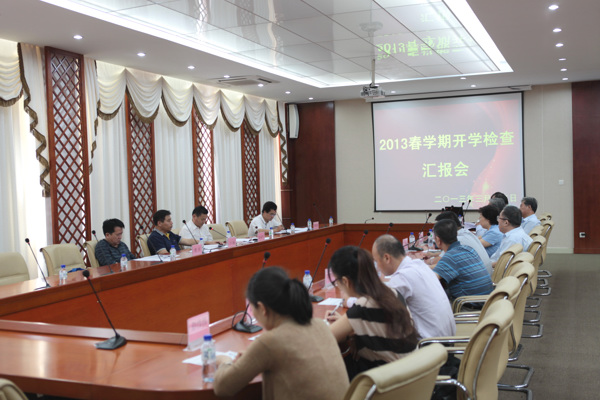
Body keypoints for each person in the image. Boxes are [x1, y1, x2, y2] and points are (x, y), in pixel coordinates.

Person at [213, 267, 349, 400]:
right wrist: (254, 356)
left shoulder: (269, 342)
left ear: (262, 308)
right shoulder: (319, 325)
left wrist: (225, 360)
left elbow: (223, 386)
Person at [326, 246, 418, 379]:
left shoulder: (363, 307)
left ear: (345, 281)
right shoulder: (391, 292)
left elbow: (324, 338)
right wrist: (348, 325)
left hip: (390, 382)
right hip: (413, 375)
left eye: (337, 282)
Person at [372, 235, 455, 340]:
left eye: (376, 261)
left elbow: (378, 305)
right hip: (447, 337)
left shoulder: (403, 277)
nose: (377, 267)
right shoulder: (419, 265)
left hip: (430, 343)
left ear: (387, 258)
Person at [432, 219, 494, 300]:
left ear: (438, 240)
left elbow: (431, 278)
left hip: (469, 304)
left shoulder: (450, 257)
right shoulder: (468, 249)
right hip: (488, 300)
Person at [433, 211, 492, 276]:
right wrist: (432, 254)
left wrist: (428, 262)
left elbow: (439, 263)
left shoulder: (457, 240)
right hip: (484, 275)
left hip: (477, 276)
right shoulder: (467, 233)